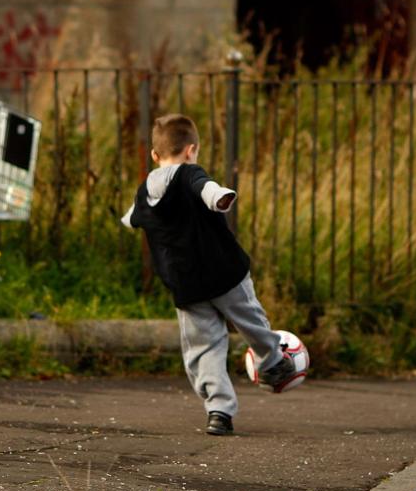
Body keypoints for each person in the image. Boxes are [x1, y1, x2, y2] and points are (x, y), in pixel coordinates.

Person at [121, 113, 295, 435]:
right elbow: (207, 189)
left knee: (205, 348)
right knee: (250, 320)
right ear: (191, 150)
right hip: (224, 273)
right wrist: (221, 197)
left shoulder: (145, 190)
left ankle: (219, 412)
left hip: (185, 284)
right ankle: (272, 362)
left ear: (155, 155)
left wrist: (131, 219)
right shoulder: (190, 174)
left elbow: (133, 217)